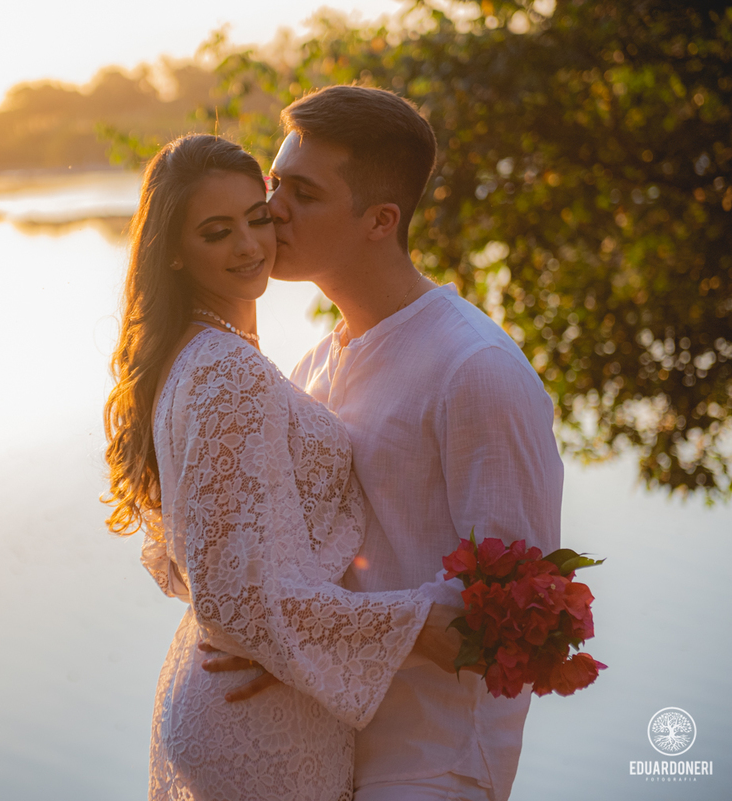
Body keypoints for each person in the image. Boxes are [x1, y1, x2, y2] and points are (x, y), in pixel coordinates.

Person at [200, 86, 564, 801]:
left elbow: (513, 610)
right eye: (274, 183)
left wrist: (305, 638)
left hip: (433, 762)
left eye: (302, 191)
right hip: (319, 752)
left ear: (380, 219)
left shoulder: (474, 367)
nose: (272, 209)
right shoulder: (310, 367)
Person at [102, 133, 468, 801]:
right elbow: (236, 598)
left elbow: (217, 569)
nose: (249, 245)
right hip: (257, 725)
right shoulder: (226, 372)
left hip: (245, 691)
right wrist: (417, 622)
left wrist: (278, 629)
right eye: (217, 231)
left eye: (257, 217)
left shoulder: (198, 356)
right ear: (176, 252)